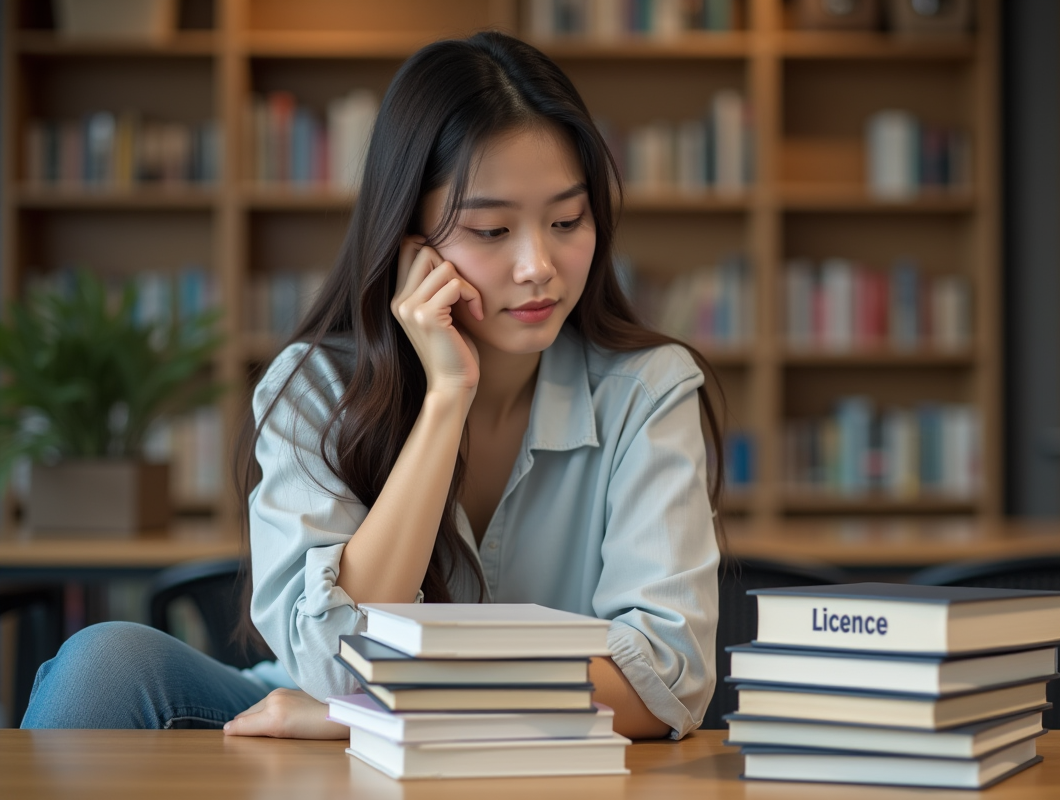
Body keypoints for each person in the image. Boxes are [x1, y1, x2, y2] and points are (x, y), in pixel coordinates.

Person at [21, 31, 723, 740]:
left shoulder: (648, 391)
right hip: (320, 723)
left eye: (567, 220)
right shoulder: (315, 386)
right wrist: (446, 399)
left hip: (474, 742)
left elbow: (667, 679)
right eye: (490, 230)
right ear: (409, 239)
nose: (538, 264)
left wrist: (388, 709)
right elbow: (334, 667)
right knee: (101, 666)